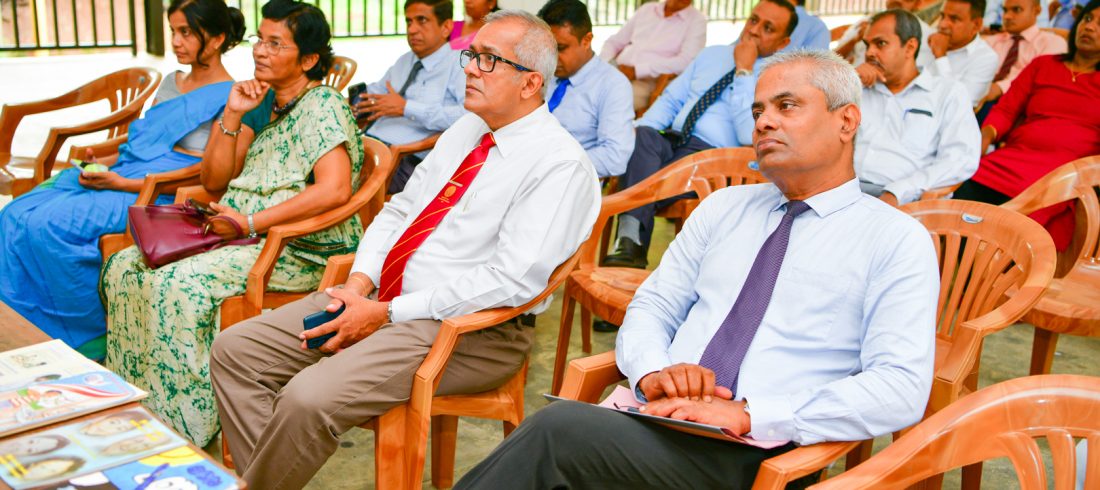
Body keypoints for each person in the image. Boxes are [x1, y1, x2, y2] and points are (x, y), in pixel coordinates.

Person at [454, 49, 938, 490]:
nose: (764, 122)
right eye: (758, 111)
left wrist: (749, 414)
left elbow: (901, 387)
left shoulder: (893, 239)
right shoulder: (724, 209)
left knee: (556, 432)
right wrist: (653, 372)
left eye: (786, 106)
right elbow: (654, 305)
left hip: (754, 453)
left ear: (846, 120)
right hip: (656, 418)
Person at [209, 10, 600, 489]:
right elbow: (400, 212)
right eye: (471, 55)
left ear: (530, 82)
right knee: (236, 351)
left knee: (306, 399)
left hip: (470, 330)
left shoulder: (559, 165)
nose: (470, 68)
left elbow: (510, 280)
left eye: (488, 60)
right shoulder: (468, 130)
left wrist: (387, 312)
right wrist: (359, 285)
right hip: (385, 299)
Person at [100, 0, 364, 447]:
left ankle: (186, 427)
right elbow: (215, 180)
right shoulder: (268, 102)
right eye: (260, 39)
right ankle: (139, 409)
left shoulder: (322, 105)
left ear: (308, 60)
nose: (260, 50)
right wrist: (233, 114)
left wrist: (251, 222)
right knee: (126, 267)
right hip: (243, 235)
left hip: (298, 249)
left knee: (176, 285)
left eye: (275, 43)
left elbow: (334, 190)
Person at [0, 0, 243, 360]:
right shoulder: (171, 82)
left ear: (218, 38)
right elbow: (144, 142)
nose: (176, 41)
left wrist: (121, 184)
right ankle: (20, 325)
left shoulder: (232, 96)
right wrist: (103, 163)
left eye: (187, 33)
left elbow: (209, 173)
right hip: (128, 174)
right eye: (173, 31)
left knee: (47, 225)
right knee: (14, 214)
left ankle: (85, 336)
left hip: (162, 192)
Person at [602, 0, 797, 271]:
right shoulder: (712, 55)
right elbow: (671, 100)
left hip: (711, 156)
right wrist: (638, 132)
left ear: (782, 43)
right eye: (753, 20)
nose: (754, 30)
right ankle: (630, 240)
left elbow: (747, 133)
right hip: (672, 139)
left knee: (638, 173)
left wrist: (744, 71)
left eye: (768, 28)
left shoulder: (778, 78)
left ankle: (629, 240)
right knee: (643, 136)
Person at [954, 0, 1100, 251]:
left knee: (1019, 231)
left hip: (1063, 173)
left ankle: (986, 264)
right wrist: (985, 136)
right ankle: (958, 260)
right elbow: (1007, 109)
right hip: (1013, 158)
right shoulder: (1043, 65)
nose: (1090, 27)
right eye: (1087, 19)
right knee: (961, 196)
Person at [854, 9, 980, 205]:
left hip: (905, 199)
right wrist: (849, 82)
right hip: (841, 190)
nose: (869, 52)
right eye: (867, 45)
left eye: (880, 44)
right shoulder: (856, 88)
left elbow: (961, 158)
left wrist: (898, 192)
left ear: (910, 47)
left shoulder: (947, 93)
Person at [355, 0, 467, 193]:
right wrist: (359, 102)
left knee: (332, 182)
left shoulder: (459, 65)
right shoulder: (406, 60)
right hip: (372, 147)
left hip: (406, 159)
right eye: (409, 21)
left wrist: (407, 108)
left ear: (446, 27)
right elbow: (378, 90)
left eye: (422, 20)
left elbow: (469, 117)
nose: (412, 29)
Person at [538, 0, 635, 177]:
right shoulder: (541, 72)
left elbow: (614, 157)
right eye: (545, 48)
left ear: (586, 40)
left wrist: (552, 166)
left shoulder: (612, 85)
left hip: (566, 179)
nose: (551, 57)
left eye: (560, 48)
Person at [599, 0, 708, 111]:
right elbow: (614, 42)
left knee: (609, 103)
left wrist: (637, 71)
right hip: (616, 71)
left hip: (647, 82)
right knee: (590, 91)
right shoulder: (647, 9)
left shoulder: (696, 20)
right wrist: (607, 64)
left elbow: (686, 61)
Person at [977, 0, 1067, 115]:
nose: (1007, 16)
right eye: (1005, 10)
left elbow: (1040, 80)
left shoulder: (1052, 42)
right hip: (982, 95)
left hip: (1022, 106)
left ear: (1037, 11)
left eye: (1016, 10)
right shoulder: (991, 41)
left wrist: (999, 88)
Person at [925, 0, 1001, 105]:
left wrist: (941, 57)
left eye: (954, 19)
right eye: (942, 16)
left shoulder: (986, 58)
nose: (942, 25)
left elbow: (959, 105)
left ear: (976, 25)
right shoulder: (926, 37)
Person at [835, 0, 936, 67]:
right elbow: (831, 60)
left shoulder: (928, 36)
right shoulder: (864, 23)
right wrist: (854, 40)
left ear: (918, 4)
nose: (898, 1)